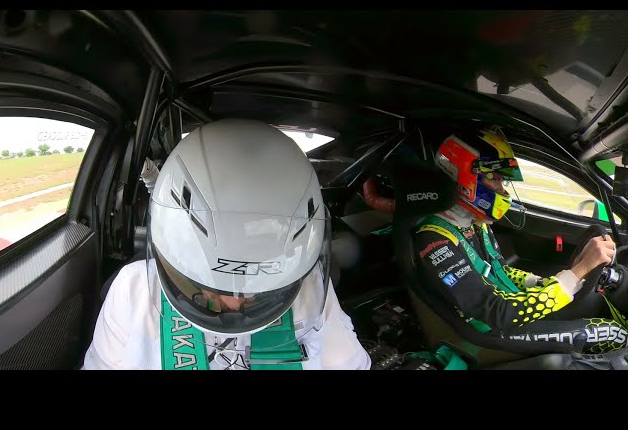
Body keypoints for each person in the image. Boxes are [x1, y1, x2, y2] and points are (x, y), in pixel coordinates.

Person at [82, 119, 371, 370]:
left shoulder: (307, 288)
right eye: (208, 286)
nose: (234, 305)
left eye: (259, 292)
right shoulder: (134, 292)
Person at [410, 126, 627, 354]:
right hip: (489, 332)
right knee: (614, 333)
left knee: (601, 303)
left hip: (508, 313)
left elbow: (501, 271)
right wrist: (578, 270)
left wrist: (547, 282)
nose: (502, 190)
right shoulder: (435, 241)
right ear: (462, 176)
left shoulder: (473, 223)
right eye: (493, 178)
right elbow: (497, 313)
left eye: (502, 181)